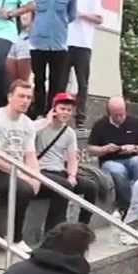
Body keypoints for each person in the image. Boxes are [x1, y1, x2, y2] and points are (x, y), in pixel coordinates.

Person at [0, 80, 54, 252]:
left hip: (19, 171)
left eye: (28, 97)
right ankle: (14, 239)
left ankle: (54, 240)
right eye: (21, 96)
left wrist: (36, 176)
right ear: (10, 97)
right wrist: (24, 177)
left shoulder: (27, 123)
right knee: (24, 189)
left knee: (60, 187)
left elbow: (30, 155)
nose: (25, 101)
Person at [17, 0, 76, 117]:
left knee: (57, 81)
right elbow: (31, 9)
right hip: (38, 42)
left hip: (58, 42)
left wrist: (60, 23)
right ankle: (38, 112)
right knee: (39, 79)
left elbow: (71, 14)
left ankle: (53, 111)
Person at [36, 92, 99, 231]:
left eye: (69, 110)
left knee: (91, 187)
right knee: (64, 186)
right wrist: (46, 122)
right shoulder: (40, 125)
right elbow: (27, 135)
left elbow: (72, 158)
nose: (65, 112)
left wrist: (72, 175)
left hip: (59, 171)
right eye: (62, 108)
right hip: (40, 171)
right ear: (54, 109)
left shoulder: (69, 133)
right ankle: (53, 231)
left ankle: (82, 227)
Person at [87, 96, 138, 220]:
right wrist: (104, 149)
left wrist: (134, 148)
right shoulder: (100, 125)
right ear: (109, 113)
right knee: (117, 170)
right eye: (115, 115)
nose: (119, 118)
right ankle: (129, 205)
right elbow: (91, 149)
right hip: (109, 160)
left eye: (121, 114)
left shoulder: (135, 123)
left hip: (131, 157)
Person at [66, 0, 102, 127]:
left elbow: (99, 18)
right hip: (65, 42)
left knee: (82, 83)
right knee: (61, 80)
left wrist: (80, 14)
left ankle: (80, 117)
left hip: (83, 43)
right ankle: (60, 112)